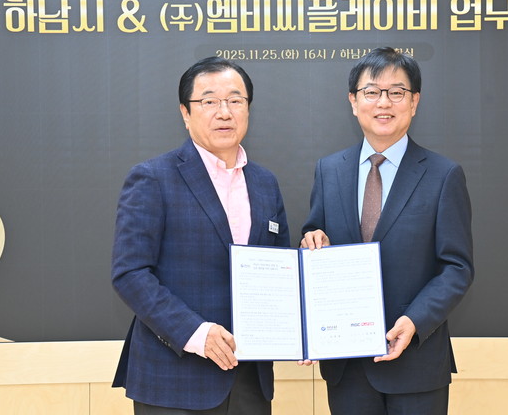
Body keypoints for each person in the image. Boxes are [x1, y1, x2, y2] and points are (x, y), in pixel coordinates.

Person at [111, 57, 290, 414]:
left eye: (235, 100)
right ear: (185, 112)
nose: (224, 112)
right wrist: (197, 333)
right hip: (174, 380)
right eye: (209, 101)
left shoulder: (265, 183)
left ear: (248, 109)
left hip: (249, 382)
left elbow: (280, 269)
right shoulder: (152, 178)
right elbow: (130, 273)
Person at [301, 47, 474, 414]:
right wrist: (312, 240)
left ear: (414, 102)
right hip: (346, 365)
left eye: (396, 92)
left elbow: (457, 267)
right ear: (353, 101)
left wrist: (414, 321)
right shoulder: (329, 170)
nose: (384, 102)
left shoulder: (443, 175)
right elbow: (316, 233)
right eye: (372, 92)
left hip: (416, 364)